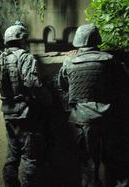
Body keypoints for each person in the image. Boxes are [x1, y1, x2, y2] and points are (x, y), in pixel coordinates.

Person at [0, 21, 52, 187]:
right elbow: (32, 83)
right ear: (22, 40)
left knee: (12, 156)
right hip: (26, 114)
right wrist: (48, 98)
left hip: (8, 112)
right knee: (30, 157)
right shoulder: (25, 57)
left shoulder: (1, 59)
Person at [58, 24, 114, 187]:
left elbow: (63, 86)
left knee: (88, 164)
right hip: (107, 117)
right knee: (111, 162)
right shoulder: (109, 60)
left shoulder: (69, 62)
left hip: (81, 119)